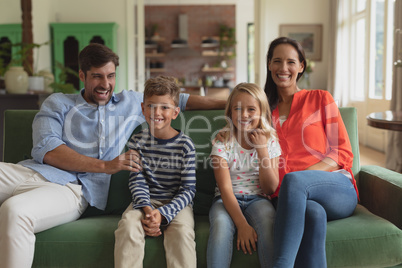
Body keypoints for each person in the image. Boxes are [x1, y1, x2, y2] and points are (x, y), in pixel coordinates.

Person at [0, 43, 225, 268]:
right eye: (97, 76)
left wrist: (231, 104)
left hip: (71, 188)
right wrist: (106, 166)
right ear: (82, 75)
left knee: (13, 211)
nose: (105, 84)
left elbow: (180, 100)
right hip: (29, 172)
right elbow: (46, 148)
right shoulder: (58, 103)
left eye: (111, 76)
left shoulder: (130, 102)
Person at [264, 37, 359, 267]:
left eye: (290, 62)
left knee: (295, 181)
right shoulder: (264, 112)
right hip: (288, 198)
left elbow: (341, 152)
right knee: (313, 214)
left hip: (336, 188)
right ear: (269, 65)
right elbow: (234, 104)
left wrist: (304, 177)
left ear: (301, 66)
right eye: (277, 61)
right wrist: (184, 102)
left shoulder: (320, 99)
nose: (283, 68)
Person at [114, 76, 197, 268]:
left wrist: (164, 213)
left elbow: (188, 189)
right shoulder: (136, 141)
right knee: (127, 226)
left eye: (164, 107)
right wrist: (148, 210)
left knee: (182, 232)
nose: (156, 112)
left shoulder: (185, 145)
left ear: (176, 112)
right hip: (145, 202)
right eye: (151, 106)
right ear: (143, 108)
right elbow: (137, 181)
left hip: (178, 203)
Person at [207, 83, 281, 268]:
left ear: (262, 112)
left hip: (259, 198)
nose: (244, 115)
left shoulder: (270, 141)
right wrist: (242, 225)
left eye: (251, 109)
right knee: (221, 227)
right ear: (230, 112)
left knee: (268, 221)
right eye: (237, 109)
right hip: (225, 200)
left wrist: (262, 149)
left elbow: (270, 187)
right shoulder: (222, 141)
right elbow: (224, 189)